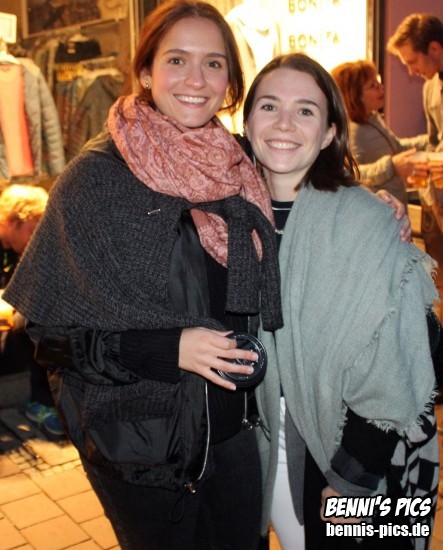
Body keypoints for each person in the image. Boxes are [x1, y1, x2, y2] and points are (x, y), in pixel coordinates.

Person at [2, 1, 284, 549]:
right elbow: (48, 337)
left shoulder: (238, 165)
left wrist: (376, 209)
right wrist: (167, 348)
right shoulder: (96, 179)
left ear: (230, 81)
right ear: (146, 73)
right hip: (145, 451)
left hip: (236, 431)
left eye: (213, 63)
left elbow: (306, 197)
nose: (196, 80)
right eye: (177, 60)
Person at [243, 52, 440, 550]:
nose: (284, 123)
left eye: (306, 110)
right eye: (269, 106)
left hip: (360, 454)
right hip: (272, 447)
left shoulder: (366, 220)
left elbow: (399, 362)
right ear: (246, 123)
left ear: (330, 131)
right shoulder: (229, 220)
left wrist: (353, 476)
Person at [387, 13, 443, 322]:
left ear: (434, 49)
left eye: (412, 62)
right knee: (437, 278)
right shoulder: (429, 88)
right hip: (435, 199)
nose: (411, 71)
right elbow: (435, 141)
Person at [0, 184, 63, 436]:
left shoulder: (34, 248)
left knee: (36, 327)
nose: (35, 236)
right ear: (15, 222)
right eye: (32, 229)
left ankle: (46, 403)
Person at [330, 60, 428, 204]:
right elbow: (353, 174)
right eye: (373, 86)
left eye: (378, 82)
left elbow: (397, 146)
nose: (381, 87)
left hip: (394, 205)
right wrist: (391, 166)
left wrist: (429, 140)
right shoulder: (352, 131)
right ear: (354, 95)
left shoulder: (373, 118)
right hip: (379, 207)